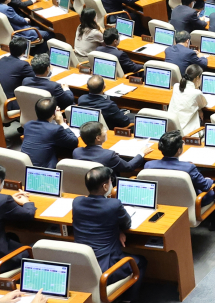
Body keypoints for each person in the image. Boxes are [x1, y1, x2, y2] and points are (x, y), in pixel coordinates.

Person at [72, 167, 147, 301]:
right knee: (140, 261)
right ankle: (129, 299)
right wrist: (119, 229)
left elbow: (95, 220)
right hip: (106, 268)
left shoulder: (77, 202)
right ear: (106, 186)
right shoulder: (113, 204)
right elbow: (127, 224)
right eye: (110, 181)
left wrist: (116, 230)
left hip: (81, 266)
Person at [20, 97, 79, 168]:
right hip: (44, 169)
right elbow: (74, 142)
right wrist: (61, 122)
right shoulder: (55, 129)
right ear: (54, 113)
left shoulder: (28, 125)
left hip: (25, 167)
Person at [73, 121, 145, 175]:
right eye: (103, 131)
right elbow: (129, 167)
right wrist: (141, 153)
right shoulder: (109, 155)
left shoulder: (77, 152)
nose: (106, 132)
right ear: (98, 138)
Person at [0, 36, 34, 108]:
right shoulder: (22, 65)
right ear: (24, 51)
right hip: (11, 102)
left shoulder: (2, 60)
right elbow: (38, 75)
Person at [170, 65, 208, 135]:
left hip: (172, 128)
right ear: (197, 78)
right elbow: (203, 104)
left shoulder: (176, 86)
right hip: (187, 133)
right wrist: (197, 88)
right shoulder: (196, 93)